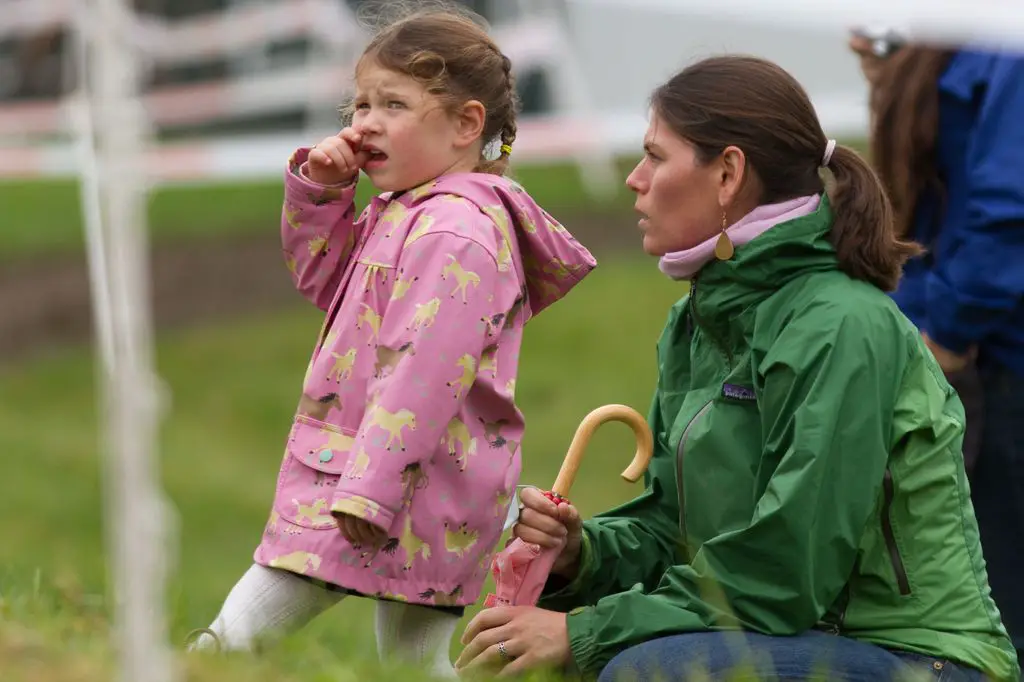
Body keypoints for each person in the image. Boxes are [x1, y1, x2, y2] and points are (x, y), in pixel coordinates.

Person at [455, 55, 1020, 682]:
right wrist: (581, 554)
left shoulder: (842, 326)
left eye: (656, 157)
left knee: (647, 671)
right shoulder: (695, 321)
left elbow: (785, 573)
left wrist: (584, 631)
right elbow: (676, 533)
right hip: (809, 641)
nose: (634, 180)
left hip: (920, 659)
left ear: (727, 173)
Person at [185, 6, 597, 678]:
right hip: (410, 480)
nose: (364, 122)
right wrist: (322, 191)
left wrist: (370, 489)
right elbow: (328, 282)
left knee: (256, 613)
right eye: (360, 103)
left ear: (466, 124)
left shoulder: (453, 233)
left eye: (394, 104)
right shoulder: (408, 211)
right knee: (414, 660)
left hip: (392, 482)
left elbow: (424, 373)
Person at [849, 32, 1024, 672]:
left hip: (995, 359)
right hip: (961, 341)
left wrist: (945, 336)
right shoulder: (959, 41)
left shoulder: (1009, 46)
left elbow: (1010, 211)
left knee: (1001, 601)